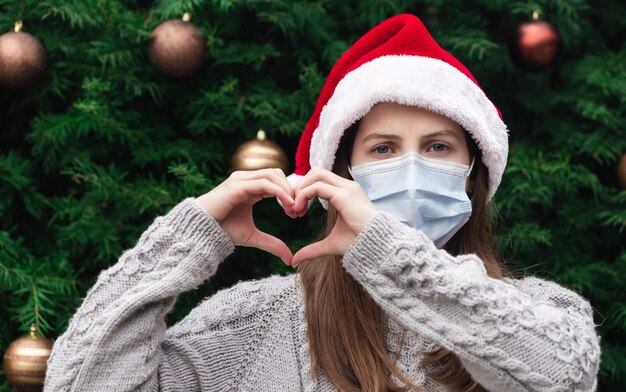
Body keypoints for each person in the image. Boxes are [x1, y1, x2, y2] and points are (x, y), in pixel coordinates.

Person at [43, 14, 600, 392]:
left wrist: (390, 254)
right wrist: (185, 239)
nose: (411, 167)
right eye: (383, 148)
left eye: (438, 147)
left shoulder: (541, 311)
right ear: (341, 175)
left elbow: (565, 377)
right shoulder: (261, 320)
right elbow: (78, 383)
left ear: (473, 176)